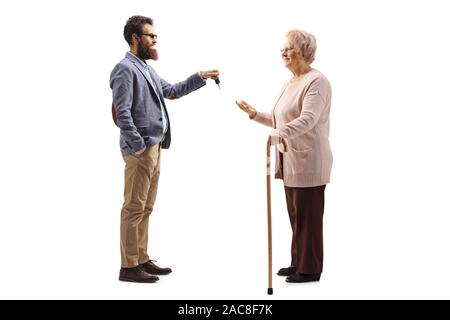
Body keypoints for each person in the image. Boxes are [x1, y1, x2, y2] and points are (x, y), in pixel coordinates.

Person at [110, 15, 219, 283]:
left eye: (155, 36)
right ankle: (128, 267)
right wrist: (138, 145)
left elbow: (171, 91)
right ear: (136, 38)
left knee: (146, 207)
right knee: (134, 207)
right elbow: (121, 113)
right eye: (150, 36)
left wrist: (200, 77)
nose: (154, 40)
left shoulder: (146, 69)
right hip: (141, 150)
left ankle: (141, 258)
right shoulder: (124, 69)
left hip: (156, 147)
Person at [235, 29, 332, 283]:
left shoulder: (317, 81)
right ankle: (298, 261)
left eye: (288, 48)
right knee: (296, 215)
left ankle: (310, 269)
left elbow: (308, 120)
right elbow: (282, 119)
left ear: (302, 51)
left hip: (310, 160)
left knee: (308, 216)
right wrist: (256, 114)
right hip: (290, 160)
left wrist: (279, 132)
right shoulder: (289, 83)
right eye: (283, 48)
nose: (283, 52)